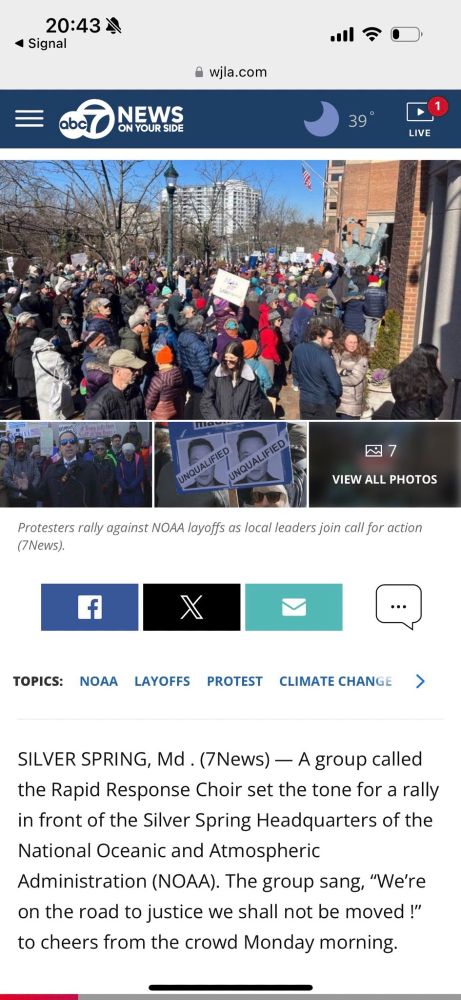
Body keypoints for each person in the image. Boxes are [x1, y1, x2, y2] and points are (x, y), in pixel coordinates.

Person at [22, 429, 101, 507]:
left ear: (77, 446)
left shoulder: (89, 467)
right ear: (60, 448)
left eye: (72, 441)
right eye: (64, 442)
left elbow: (98, 497)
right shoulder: (51, 469)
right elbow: (42, 494)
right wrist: (28, 488)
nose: (68, 444)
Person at [291, 320, 342, 420]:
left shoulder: (298, 349)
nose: (332, 341)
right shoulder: (325, 357)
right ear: (319, 337)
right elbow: (335, 385)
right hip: (323, 404)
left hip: (305, 401)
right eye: (329, 338)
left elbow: (295, 372)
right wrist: (337, 395)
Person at [200, 341, 263, 420]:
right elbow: (206, 400)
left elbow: (254, 404)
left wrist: (243, 423)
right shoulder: (216, 374)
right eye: (225, 359)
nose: (228, 362)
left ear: (240, 358)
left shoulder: (250, 378)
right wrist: (216, 421)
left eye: (232, 359)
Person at [84, 349, 146, 420]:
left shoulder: (136, 392)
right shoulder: (97, 406)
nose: (137, 372)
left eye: (138, 369)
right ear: (117, 371)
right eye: (132, 369)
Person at [390, 343, 447, 419]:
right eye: (437, 358)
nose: (439, 361)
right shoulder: (435, 381)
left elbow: (396, 395)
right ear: (429, 359)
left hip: (397, 416)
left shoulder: (399, 372)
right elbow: (437, 410)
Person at [31, 328, 74, 420]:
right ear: (50, 340)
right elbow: (65, 375)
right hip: (56, 389)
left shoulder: (35, 354)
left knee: (46, 414)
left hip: (41, 389)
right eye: (56, 338)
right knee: (57, 413)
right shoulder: (55, 356)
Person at [177, 315, 213, 418]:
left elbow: (179, 359)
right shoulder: (199, 346)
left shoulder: (181, 336)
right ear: (200, 327)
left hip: (188, 376)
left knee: (191, 401)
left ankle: (186, 420)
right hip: (200, 381)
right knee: (199, 407)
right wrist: (213, 359)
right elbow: (205, 367)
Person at [7, 313, 40, 418]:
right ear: (28, 322)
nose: (35, 320)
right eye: (33, 318)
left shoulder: (15, 334)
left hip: (18, 369)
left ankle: (27, 419)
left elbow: (7, 350)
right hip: (28, 370)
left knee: (24, 399)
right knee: (30, 398)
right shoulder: (32, 334)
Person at [333, 332, 369, 420]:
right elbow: (331, 368)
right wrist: (345, 372)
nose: (353, 345)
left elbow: (354, 379)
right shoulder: (336, 353)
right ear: (343, 342)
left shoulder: (362, 358)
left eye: (355, 342)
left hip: (351, 403)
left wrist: (334, 379)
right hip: (337, 400)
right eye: (350, 342)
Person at [145, 346, 186, 419]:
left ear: (160, 362)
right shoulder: (180, 373)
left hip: (161, 416)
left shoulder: (157, 380)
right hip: (177, 412)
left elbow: (149, 404)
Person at [3, 436, 40, 507]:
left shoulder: (31, 461)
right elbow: (6, 478)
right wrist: (20, 488)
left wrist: (29, 488)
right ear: (15, 450)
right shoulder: (10, 462)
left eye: (23, 448)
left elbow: (37, 475)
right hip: (16, 497)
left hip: (30, 496)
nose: (22, 450)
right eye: (20, 448)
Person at [116, 441, 145, 507]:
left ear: (133, 452)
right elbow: (118, 474)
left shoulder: (138, 459)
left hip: (136, 488)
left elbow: (141, 474)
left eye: (130, 455)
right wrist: (124, 485)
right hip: (124, 489)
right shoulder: (120, 460)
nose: (128, 456)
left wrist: (133, 485)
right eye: (126, 454)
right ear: (123, 453)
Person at [363, 275, 387, 347]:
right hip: (378, 313)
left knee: (367, 327)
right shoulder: (383, 291)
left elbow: (363, 301)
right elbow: (385, 304)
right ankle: (372, 343)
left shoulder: (366, 290)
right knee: (375, 328)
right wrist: (383, 312)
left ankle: (367, 342)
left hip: (368, 312)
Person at [93, 439, 117, 506]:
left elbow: (112, 474)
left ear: (105, 449)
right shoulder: (94, 459)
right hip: (97, 488)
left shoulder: (110, 459)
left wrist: (106, 485)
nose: (100, 450)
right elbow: (93, 473)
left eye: (102, 449)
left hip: (108, 488)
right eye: (98, 449)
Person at [0, 439, 11, 507]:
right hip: (2, 491)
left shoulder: (12, 458)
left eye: (7, 446)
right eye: (3, 446)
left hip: (12, 491)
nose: (5, 448)